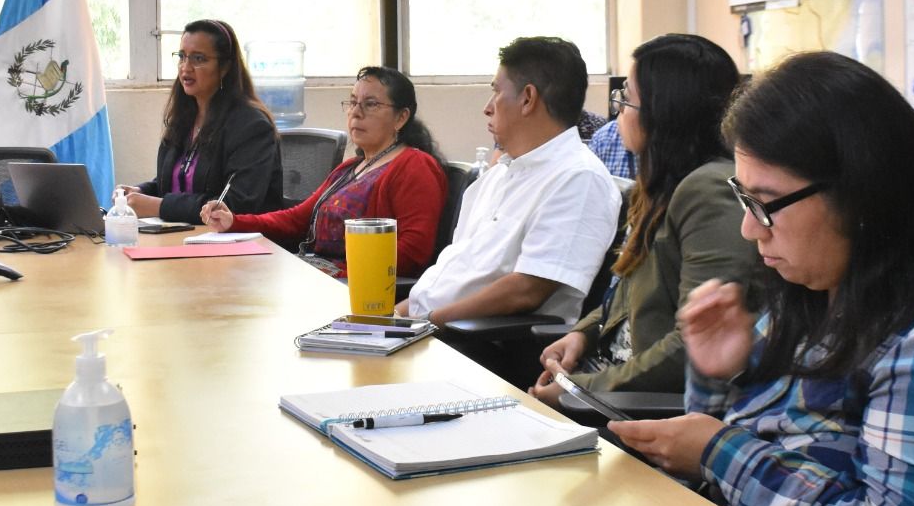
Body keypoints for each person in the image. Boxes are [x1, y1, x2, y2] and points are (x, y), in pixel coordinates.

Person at [608, 51, 914, 506]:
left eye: (766, 204)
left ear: (860, 194)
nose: (749, 229)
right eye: (743, 197)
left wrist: (717, 450)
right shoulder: (813, 292)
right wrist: (718, 375)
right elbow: (745, 461)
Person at [531, 33, 755, 403]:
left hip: (636, 406)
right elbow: (630, 291)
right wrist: (583, 333)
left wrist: (577, 390)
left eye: (627, 100)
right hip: (609, 385)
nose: (619, 112)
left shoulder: (708, 190)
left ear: (663, 112)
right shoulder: (660, 186)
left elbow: (695, 341)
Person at [396, 36, 620, 324]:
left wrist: (421, 324)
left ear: (528, 98)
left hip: (479, 345)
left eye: (496, 92)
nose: (488, 108)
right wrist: (390, 319)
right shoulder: (501, 172)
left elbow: (525, 291)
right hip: (428, 327)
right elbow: (450, 275)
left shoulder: (578, 178)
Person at [200, 66, 446, 278]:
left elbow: (413, 252)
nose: (356, 112)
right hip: (315, 274)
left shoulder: (415, 165)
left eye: (370, 104)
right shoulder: (350, 168)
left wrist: (339, 277)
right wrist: (234, 221)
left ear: (401, 117)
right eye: (352, 102)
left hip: (351, 286)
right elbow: (296, 220)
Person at [124, 19, 283, 224]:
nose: (186, 68)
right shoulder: (183, 118)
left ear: (224, 67)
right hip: (183, 237)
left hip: (242, 246)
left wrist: (158, 206)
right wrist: (140, 192)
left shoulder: (252, 126)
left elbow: (234, 204)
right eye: (182, 57)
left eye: (198, 59)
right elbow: (177, 182)